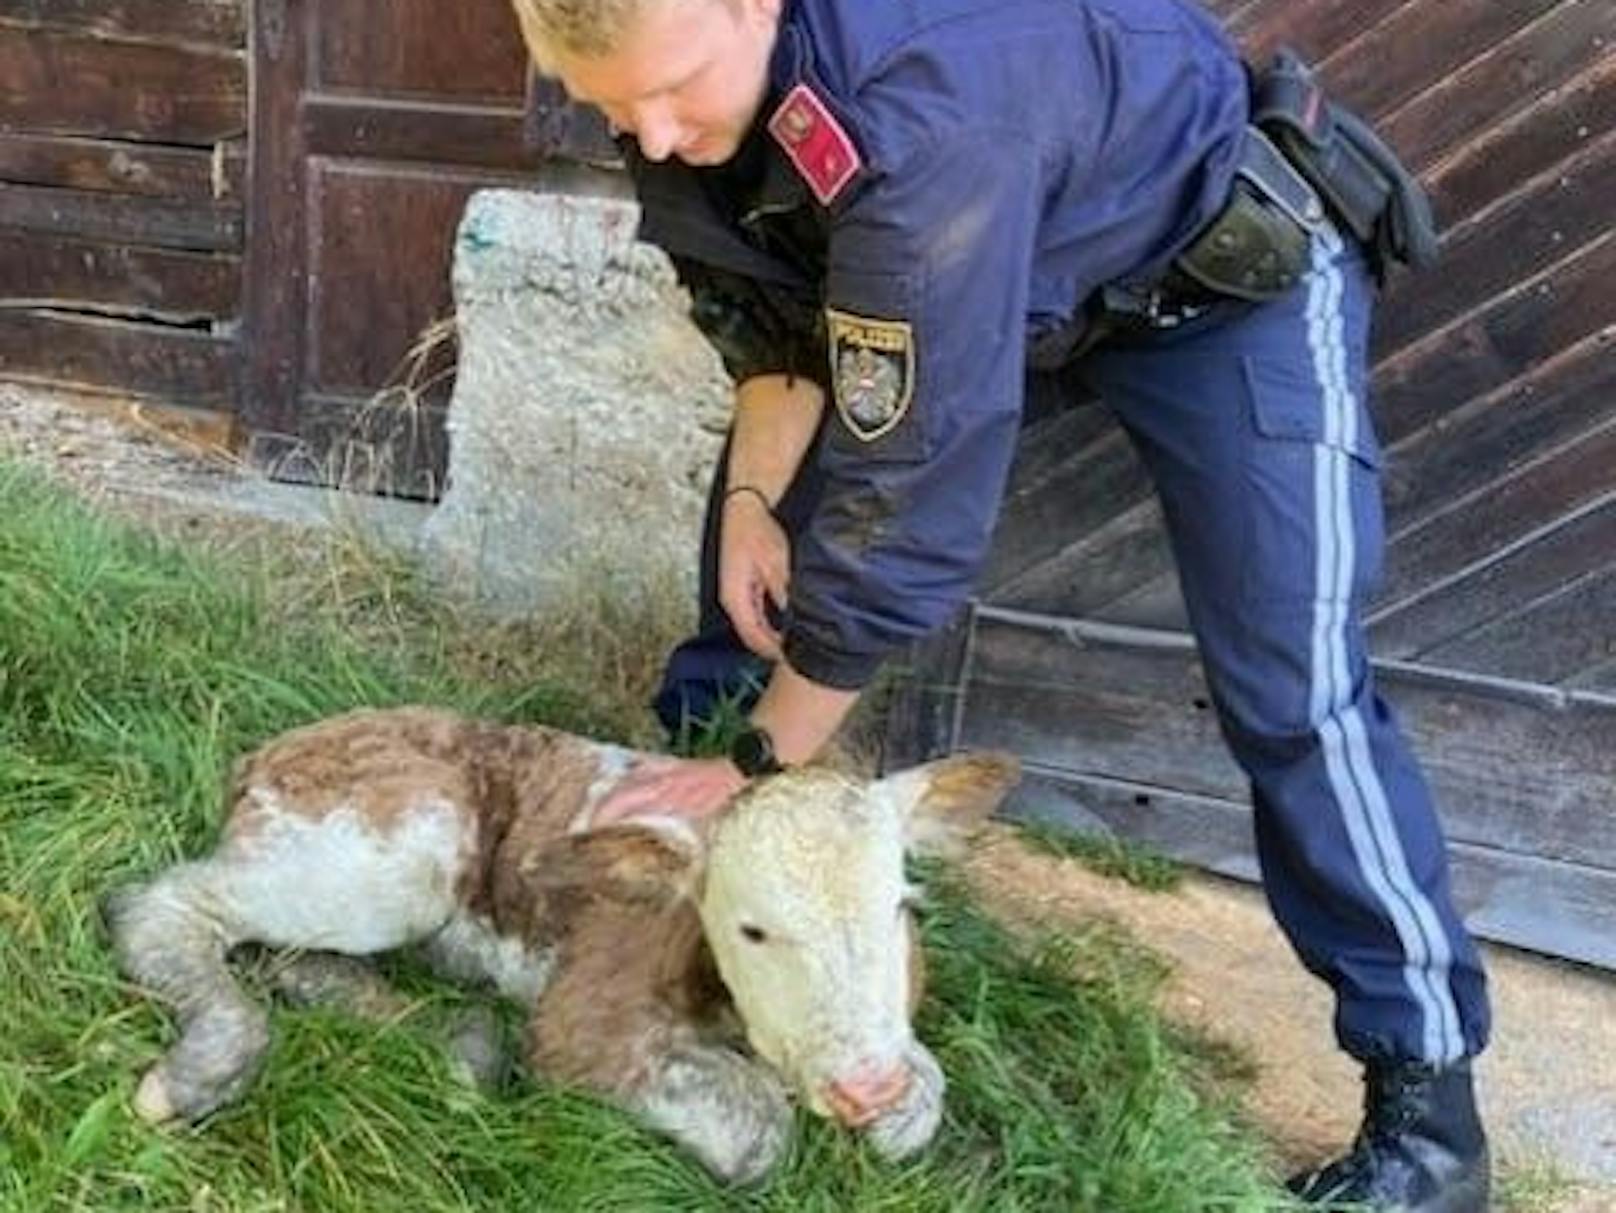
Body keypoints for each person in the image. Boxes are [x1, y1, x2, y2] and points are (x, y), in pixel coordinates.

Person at [507, 0, 1492, 1207]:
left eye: (667, 96)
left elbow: (909, 505)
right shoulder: (680, 91)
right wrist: (757, 497)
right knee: (747, 579)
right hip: (1009, 279)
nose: (650, 137)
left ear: (750, 5)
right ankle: (688, 892)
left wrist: (764, 761)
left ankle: (1428, 1113)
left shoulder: (917, 111)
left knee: (1294, 690)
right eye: (615, 112)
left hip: (1220, 295)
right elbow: (776, 314)